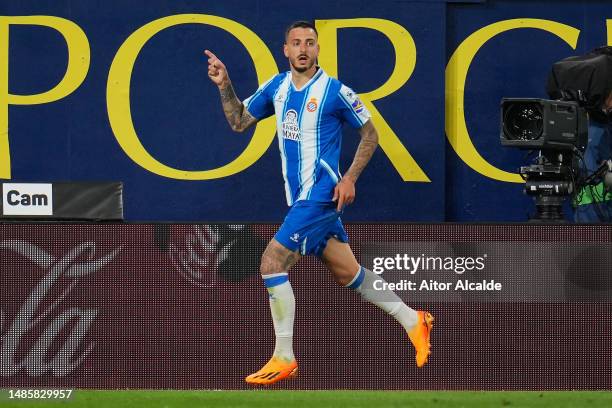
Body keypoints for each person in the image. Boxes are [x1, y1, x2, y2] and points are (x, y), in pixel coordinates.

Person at [205, 21, 433, 386]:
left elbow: (370, 135)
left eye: (309, 43)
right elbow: (238, 121)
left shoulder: (335, 92)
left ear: (317, 49)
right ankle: (412, 319)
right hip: (302, 199)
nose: (302, 49)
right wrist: (225, 85)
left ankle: (284, 356)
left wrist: (349, 178)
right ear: (285, 50)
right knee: (348, 273)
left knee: (271, 260)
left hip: (321, 196)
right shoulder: (277, 87)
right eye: (296, 43)